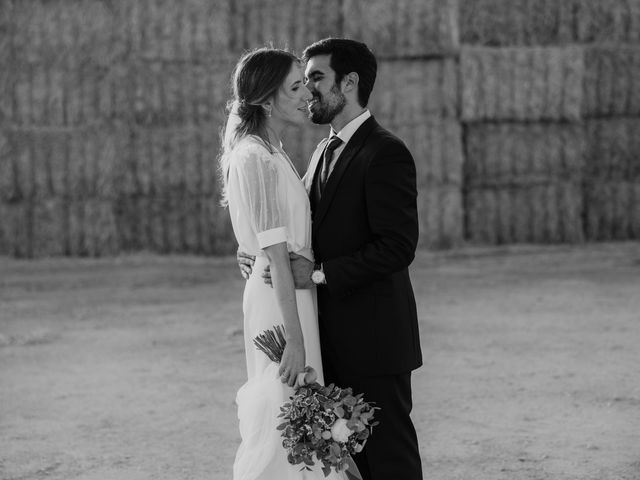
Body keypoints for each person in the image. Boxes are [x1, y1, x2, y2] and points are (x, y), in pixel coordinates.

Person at [238, 39, 423, 480]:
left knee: (388, 455)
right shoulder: (323, 149)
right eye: (301, 82)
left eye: (316, 78)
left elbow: (398, 246)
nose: (308, 90)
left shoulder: (385, 152)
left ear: (350, 82)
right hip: (326, 335)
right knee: (341, 457)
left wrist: (319, 274)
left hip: (373, 339)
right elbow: (291, 225)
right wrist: (255, 249)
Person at [221, 48, 357, 479]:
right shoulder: (256, 157)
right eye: (296, 87)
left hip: (293, 297)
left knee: (302, 419)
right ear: (265, 101)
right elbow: (276, 257)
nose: (307, 95)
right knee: (287, 411)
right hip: (281, 305)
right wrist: (295, 341)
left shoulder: (272, 152)